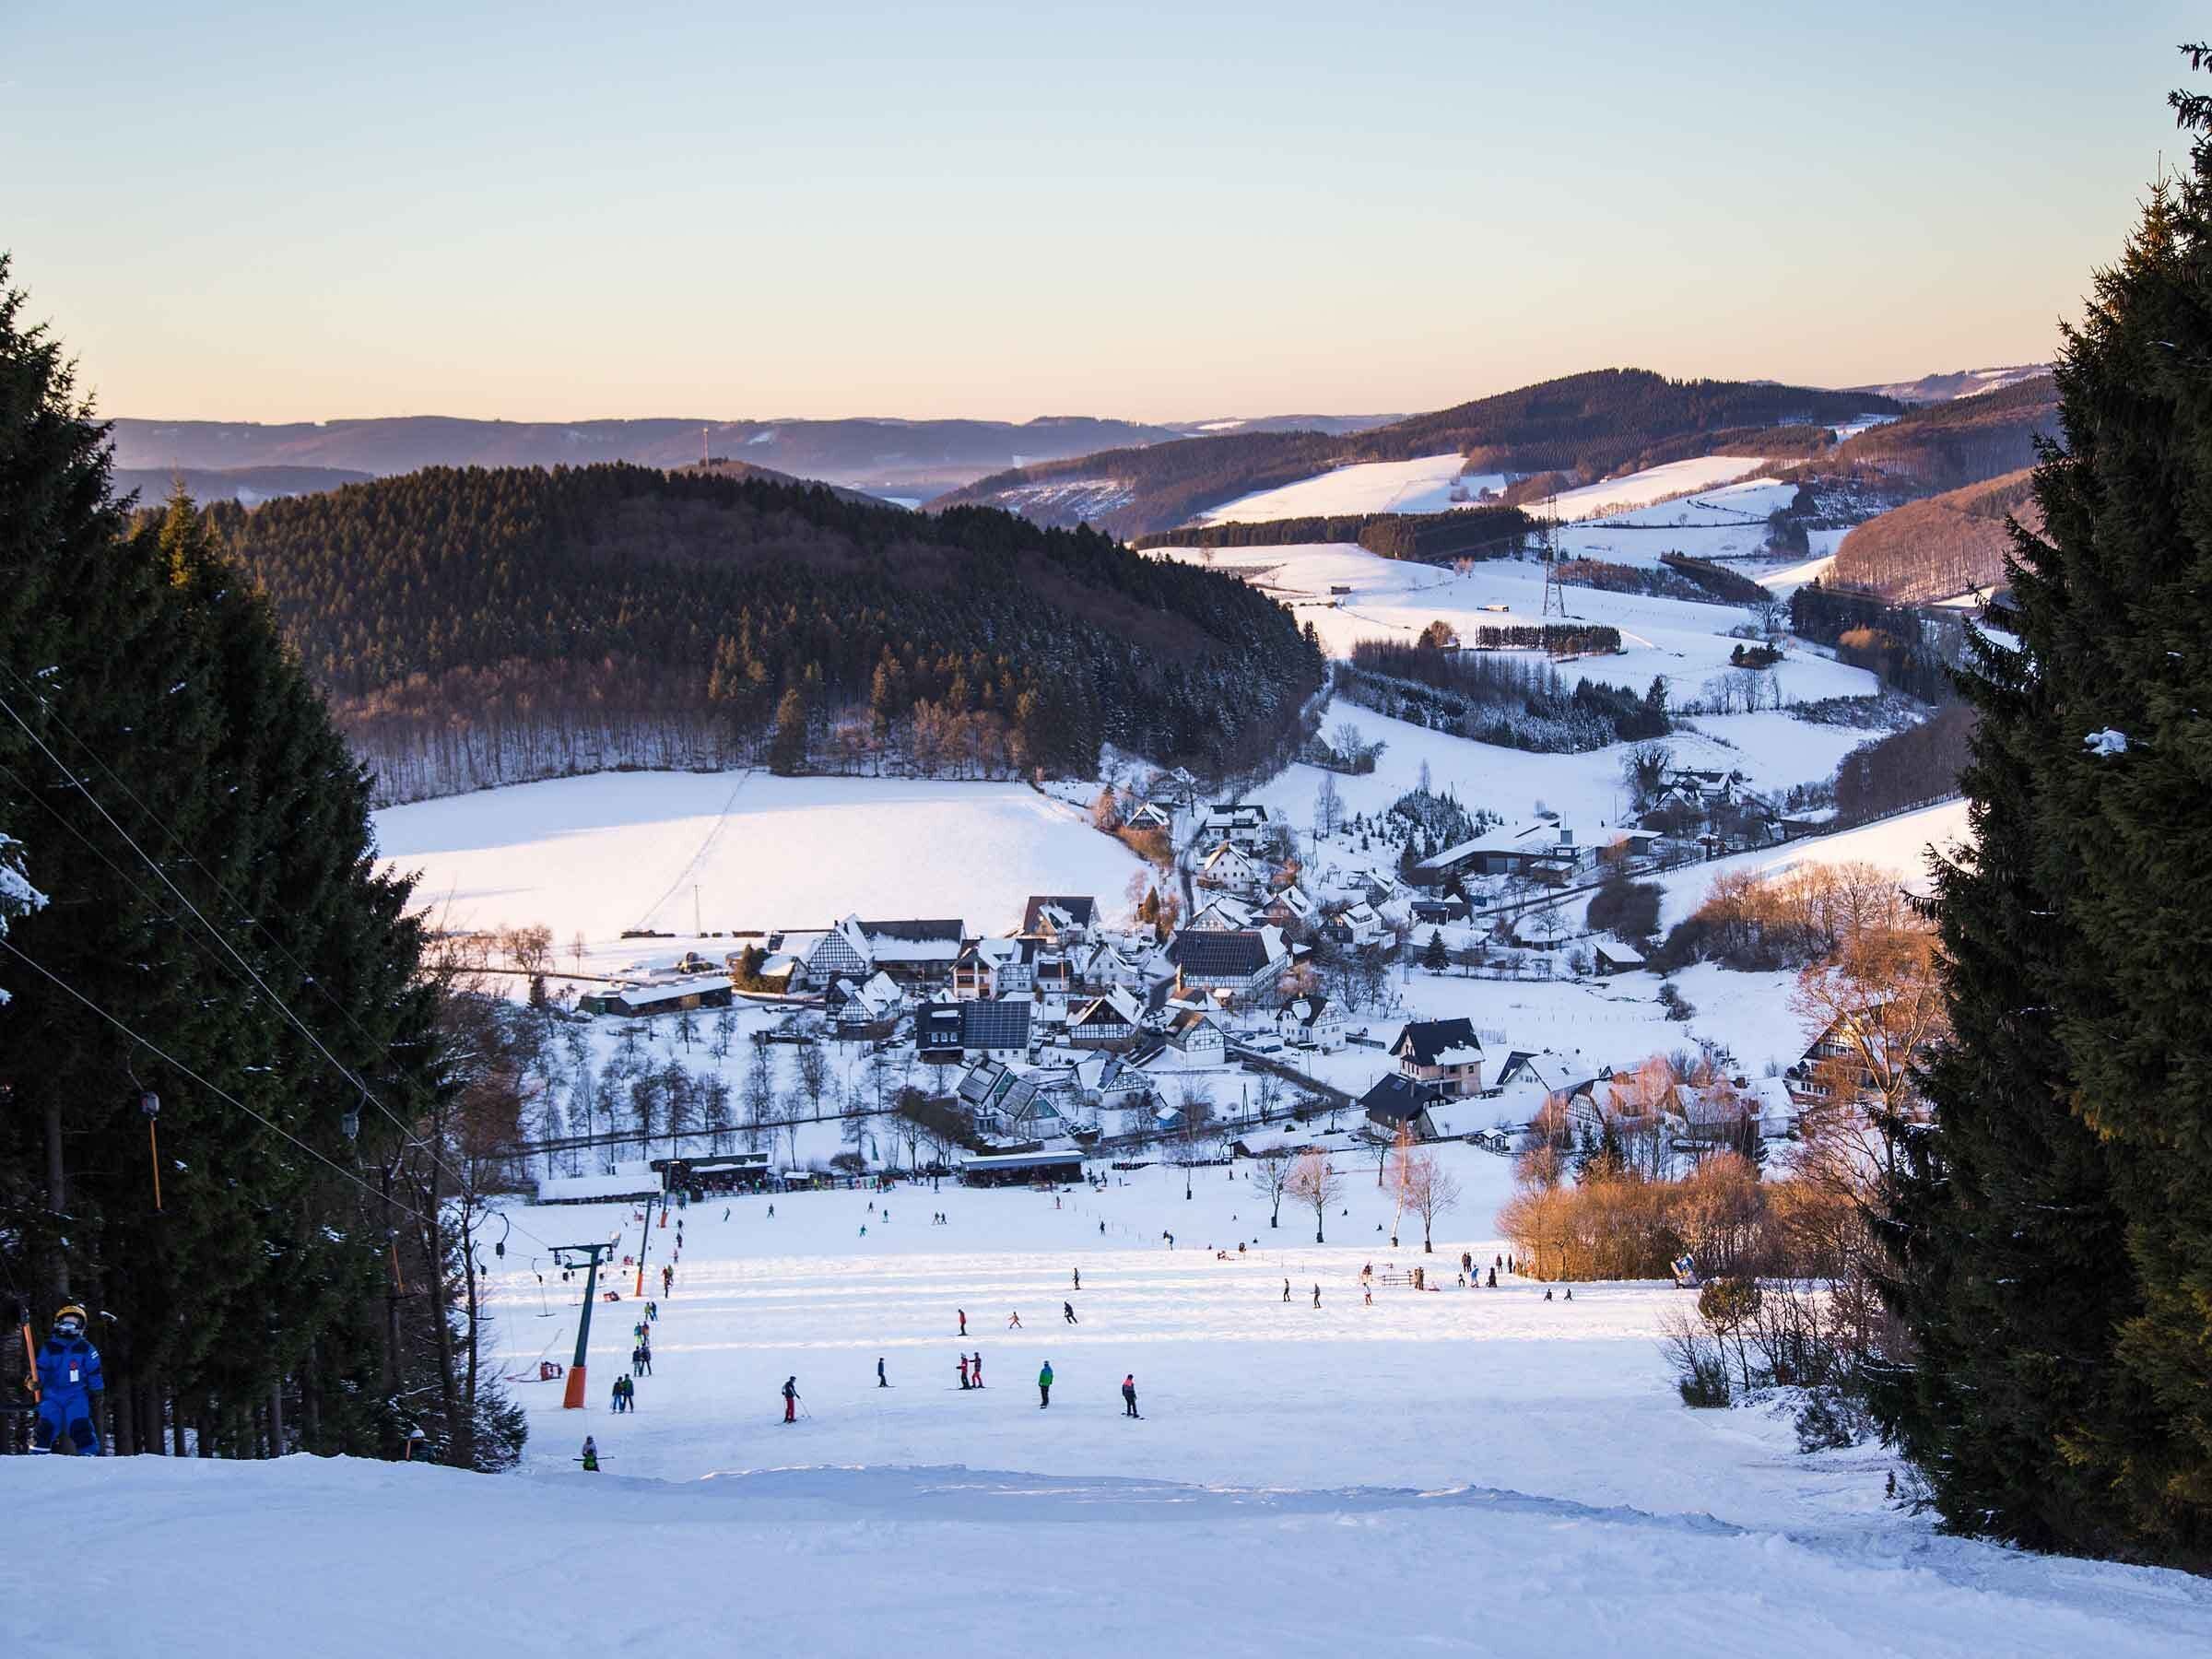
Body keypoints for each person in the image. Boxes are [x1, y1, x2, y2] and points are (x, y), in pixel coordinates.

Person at [29, 1304, 101, 1456]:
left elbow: (94, 1371)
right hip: (52, 1396)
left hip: (76, 1395)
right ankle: (34, 1458)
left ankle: (90, 1457)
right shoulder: (50, 1347)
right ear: (58, 1323)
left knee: (79, 1425)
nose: (69, 1326)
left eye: (74, 1322)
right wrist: (33, 1381)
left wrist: (97, 1391)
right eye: (65, 1321)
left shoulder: (86, 1348)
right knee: (45, 1426)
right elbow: (41, 1369)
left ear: (81, 1326)